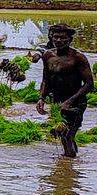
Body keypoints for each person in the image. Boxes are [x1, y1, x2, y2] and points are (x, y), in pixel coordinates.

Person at [37, 24, 93, 160]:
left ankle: (67, 167)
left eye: (63, 38)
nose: (59, 40)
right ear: (51, 38)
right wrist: (41, 98)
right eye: (56, 37)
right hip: (57, 102)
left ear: (70, 40)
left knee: (66, 135)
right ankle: (72, 162)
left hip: (76, 102)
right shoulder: (48, 55)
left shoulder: (78, 58)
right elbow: (46, 80)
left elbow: (89, 84)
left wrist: (70, 101)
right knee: (65, 135)